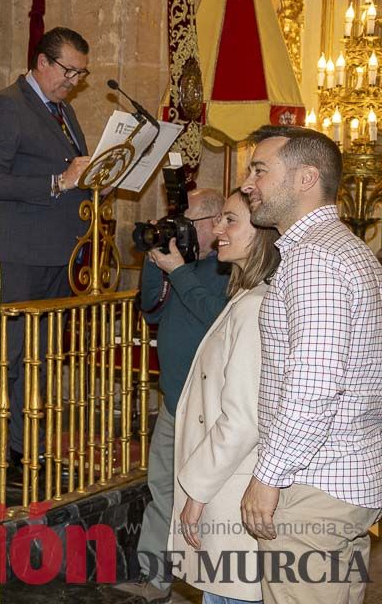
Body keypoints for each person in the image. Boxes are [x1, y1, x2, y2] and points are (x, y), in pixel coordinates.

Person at [238, 125, 382, 604]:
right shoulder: (345, 249)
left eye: (260, 169)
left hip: (314, 482)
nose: (247, 182)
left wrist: (268, 477)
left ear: (305, 178)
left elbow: (314, 387)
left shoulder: (315, 258)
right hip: (346, 478)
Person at [0, 26, 91, 469]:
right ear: (42, 62)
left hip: (58, 255)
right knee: (12, 356)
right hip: (20, 254)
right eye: (68, 71)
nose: (74, 81)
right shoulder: (8, 105)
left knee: (41, 359)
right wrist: (59, 182)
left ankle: (30, 451)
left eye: (81, 74)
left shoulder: (64, 112)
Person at [168, 191, 280, 604]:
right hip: (225, 487)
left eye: (230, 221)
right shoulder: (246, 299)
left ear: (263, 234)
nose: (217, 229)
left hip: (228, 495)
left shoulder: (257, 306)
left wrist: (195, 492)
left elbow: (243, 418)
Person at [117, 187, 227, 602]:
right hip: (173, 402)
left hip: (209, 410)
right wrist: (155, 263)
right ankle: (155, 580)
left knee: (207, 500)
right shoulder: (184, 266)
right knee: (162, 490)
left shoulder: (227, 269)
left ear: (215, 223)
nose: (181, 228)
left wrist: (178, 270)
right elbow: (152, 308)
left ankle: (212, 585)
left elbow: (215, 316)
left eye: (189, 221)